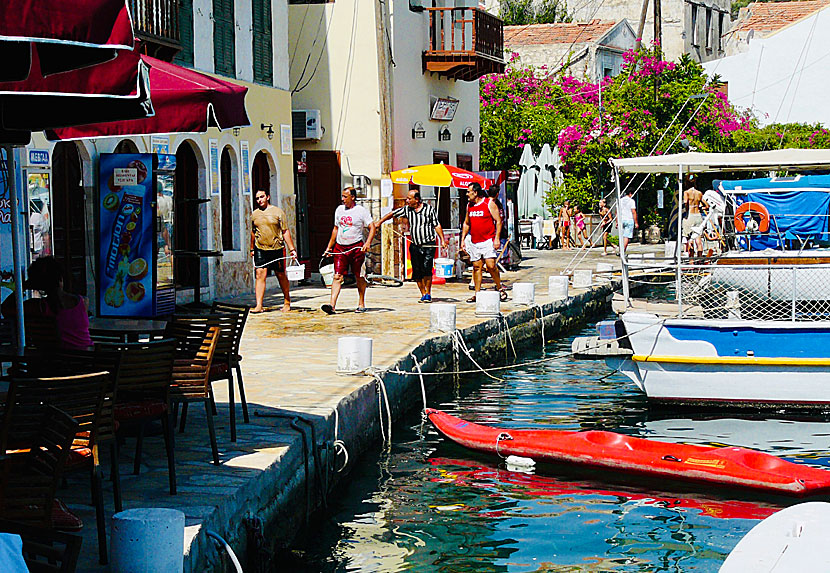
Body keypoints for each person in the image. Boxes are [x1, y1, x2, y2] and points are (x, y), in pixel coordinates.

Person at [1, 256, 92, 350]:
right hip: (85, 359)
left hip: (51, 359)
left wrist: (24, 286)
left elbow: (5, 309)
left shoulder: (37, 307)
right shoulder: (83, 302)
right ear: (60, 278)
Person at [376, 189, 447, 303]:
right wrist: (379, 222)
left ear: (417, 199)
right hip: (415, 245)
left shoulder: (429, 210)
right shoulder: (407, 210)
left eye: (409, 198)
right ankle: (422, 293)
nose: (407, 200)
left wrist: (442, 240)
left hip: (428, 244)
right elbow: (393, 214)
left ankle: (428, 293)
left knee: (427, 269)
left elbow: (436, 225)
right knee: (417, 271)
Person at [322, 186, 377, 314]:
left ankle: (361, 302)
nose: (343, 199)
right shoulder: (339, 210)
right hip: (341, 247)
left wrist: (368, 242)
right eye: (342, 196)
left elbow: (372, 227)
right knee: (337, 276)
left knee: (359, 275)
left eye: (345, 197)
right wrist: (329, 247)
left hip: (356, 247)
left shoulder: (361, 211)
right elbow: (336, 229)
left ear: (353, 197)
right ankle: (332, 305)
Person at [250, 188, 297, 313]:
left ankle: (287, 300)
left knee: (280, 275)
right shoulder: (254, 214)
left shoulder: (278, 212)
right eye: (257, 198)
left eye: (262, 197)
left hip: (277, 248)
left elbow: (285, 231)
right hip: (260, 248)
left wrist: (292, 249)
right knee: (260, 274)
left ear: (268, 197)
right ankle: (259, 305)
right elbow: (253, 232)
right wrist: (251, 248)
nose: (260, 200)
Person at [461, 183, 506, 303]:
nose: (466, 194)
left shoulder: (488, 203)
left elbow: (498, 221)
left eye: (468, 191)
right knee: (476, 267)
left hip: (488, 239)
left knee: (491, 265)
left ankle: (499, 287)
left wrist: (497, 238)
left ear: (475, 193)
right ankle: (477, 293)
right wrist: (463, 239)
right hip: (475, 240)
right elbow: (466, 223)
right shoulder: (469, 206)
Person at [487, 184, 510, 264]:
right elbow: (500, 220)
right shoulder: (495, 204)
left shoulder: (486, 203)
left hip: (491, 233)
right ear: (497, 194)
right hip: (495, 233)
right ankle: (500, 262)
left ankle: (498, 263)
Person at [683, 177, 704, 257]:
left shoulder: (686, 193)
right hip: (698, 216)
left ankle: (691, 261)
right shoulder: (699, 193)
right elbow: (706, 205)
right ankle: (700, 259)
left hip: (690, 215)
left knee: (690, 240)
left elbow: (686, 203)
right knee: (698, 240)